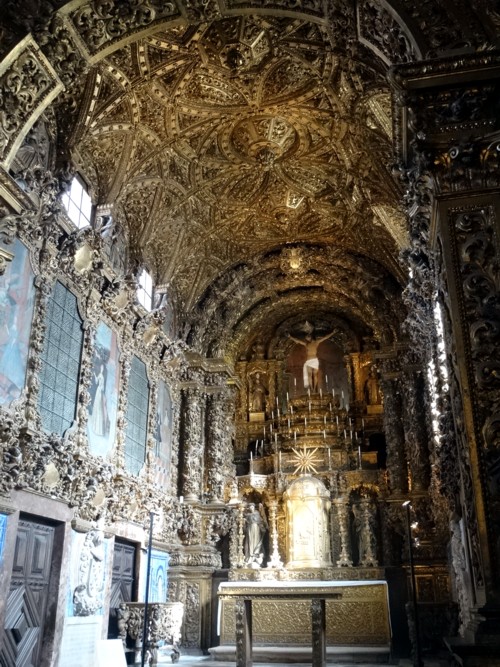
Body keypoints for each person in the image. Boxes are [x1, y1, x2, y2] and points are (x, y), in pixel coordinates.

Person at [244, 503, 267, 567]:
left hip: (256, 529)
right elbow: (245, 523)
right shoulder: (248, 515)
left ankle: (256, 554)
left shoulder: (257, 514)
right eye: (250, 507)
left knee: (257, 541)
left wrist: (262, 528)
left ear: (254, 507)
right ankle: (250, 556)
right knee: (250, 542)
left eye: (252, 507)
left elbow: (261, 522)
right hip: (250, 529)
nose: (251, 508)